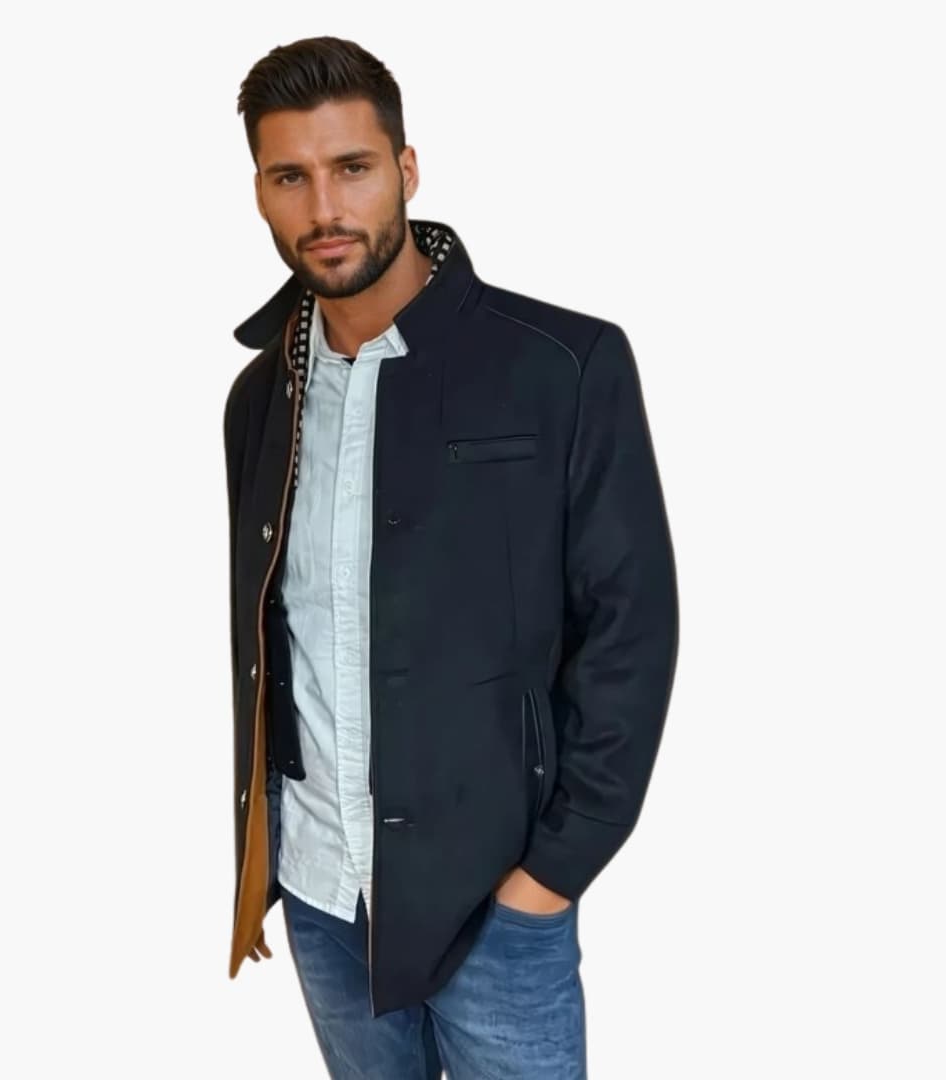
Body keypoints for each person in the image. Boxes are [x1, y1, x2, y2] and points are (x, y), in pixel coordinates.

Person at [223, 34, 679, 1079]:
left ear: (407, 169)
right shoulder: (261, 398)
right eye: (290, 177)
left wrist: (551, 876)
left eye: (352, 168)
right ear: (260, 193)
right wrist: (267, 861)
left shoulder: (563, 365)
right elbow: (271, 638)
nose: (324, 208)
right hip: (322, 890)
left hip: (496, 902)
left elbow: (631, 629)